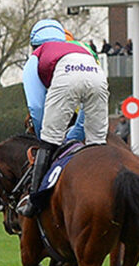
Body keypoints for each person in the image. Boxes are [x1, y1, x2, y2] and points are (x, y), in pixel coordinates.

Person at [16, 18, 109, 216]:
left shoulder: (37, 55)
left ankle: (34, 201)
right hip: (98, 77)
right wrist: (76, 133)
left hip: (67, 79)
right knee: (97, 145)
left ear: (33, 44)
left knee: (49, 141)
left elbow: (36, 105)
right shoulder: (83, 49)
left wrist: (46, 136)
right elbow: (85, 109)